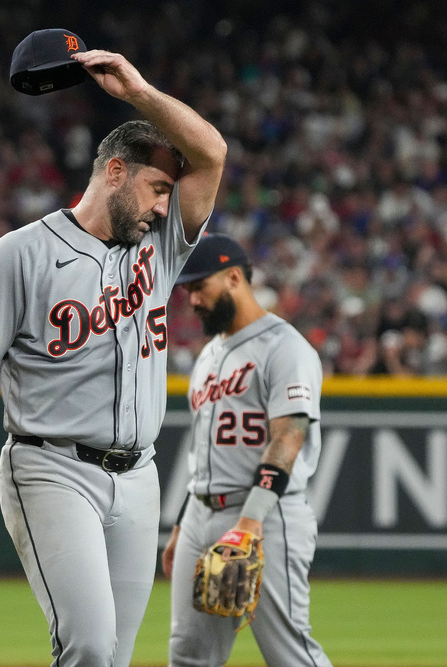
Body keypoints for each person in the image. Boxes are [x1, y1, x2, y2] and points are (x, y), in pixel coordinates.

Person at [0, 45, 226, 667]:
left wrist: (139, 92)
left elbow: (213, 153)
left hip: (140, 475)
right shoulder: (18, 256)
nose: (164, 207)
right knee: (88, 645)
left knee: (112, 658)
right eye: (156, 188)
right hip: (52, 470)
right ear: (114, 172)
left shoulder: (160, 247)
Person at [162, 233, 332, 667]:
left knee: (289, 654)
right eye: (188, 290)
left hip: (265, 517)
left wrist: (250, 521)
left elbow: (288, 437)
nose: (193, 299)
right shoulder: (208, 356)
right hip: (201, 513)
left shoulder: (285, 347)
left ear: (234, 277)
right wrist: (184, 522)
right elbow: (205, 451)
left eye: (201, 287)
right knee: (188, 656)